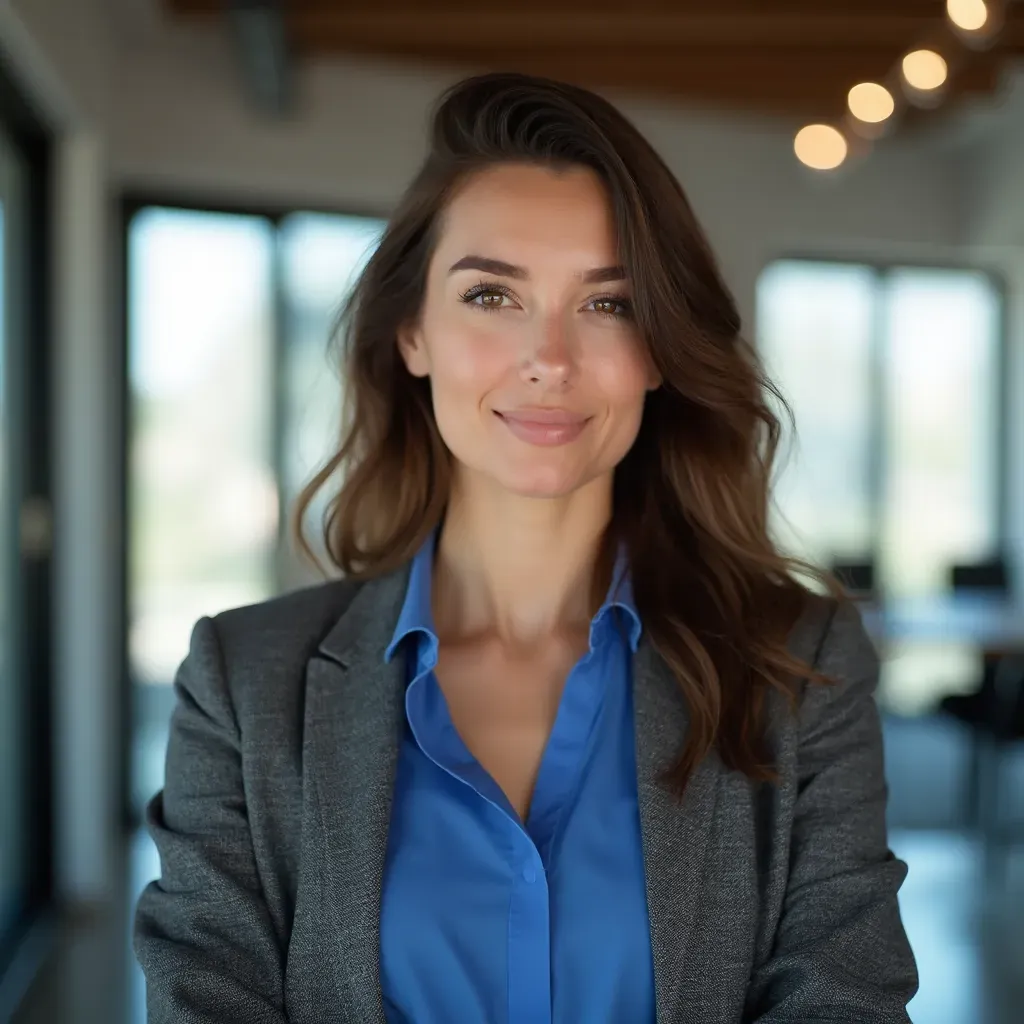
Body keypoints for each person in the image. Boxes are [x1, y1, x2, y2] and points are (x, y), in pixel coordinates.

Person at [133, 72, 918, 1023]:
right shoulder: (244, 684)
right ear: (413, 332)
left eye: (608, 304)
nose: (550, 356)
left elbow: (843, 1001)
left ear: (661, 349)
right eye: (492, 294)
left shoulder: (801, 668)